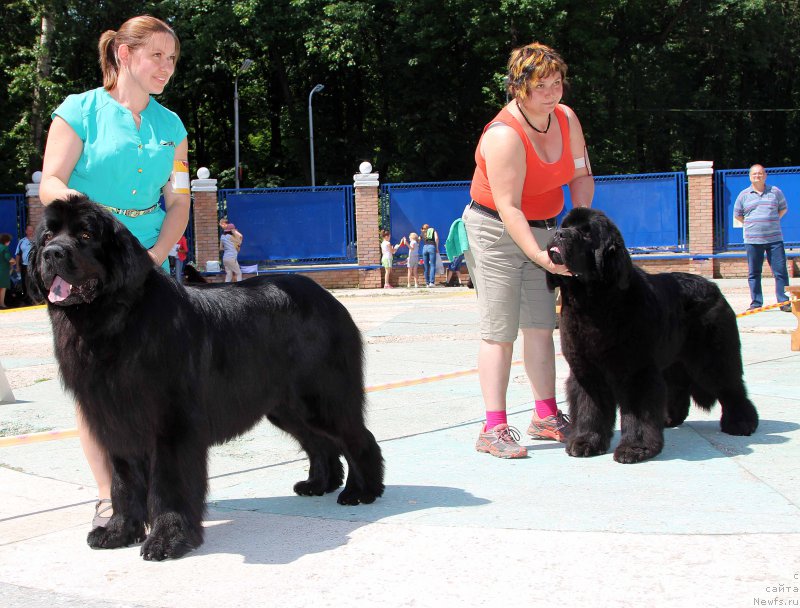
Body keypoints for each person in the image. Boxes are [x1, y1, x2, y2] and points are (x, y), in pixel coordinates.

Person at [38, 15, 190, 528]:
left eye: (172, 59)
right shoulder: (78, 111)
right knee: (94, 382)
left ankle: (155, 489)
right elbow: (51, 183)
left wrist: (151, 259)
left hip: (148, 270)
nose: (166, 67)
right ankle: (111, 496)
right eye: (156, 56)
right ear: (124, 55)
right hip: (87, 268)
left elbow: (179, 202)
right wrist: (93, 220)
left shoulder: (172, 127)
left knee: (155, 381)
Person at [464, 41, 594, 458]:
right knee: (499, 330)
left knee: (541, 326)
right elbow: (509, 208)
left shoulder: (567, 118)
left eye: (557, 83)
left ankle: (545, 416)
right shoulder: (503, 135)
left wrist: (581, 223)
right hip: (495, 231)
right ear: (519, 87)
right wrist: (541, 259)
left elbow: (580, 175)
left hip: (546, 229)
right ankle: (493, 428)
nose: (553, 93)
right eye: (542, 86)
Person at [733, 164, 791, 313]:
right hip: (752, 240)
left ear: (765, 175)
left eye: (760, 174)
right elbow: (738, 214)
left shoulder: (775, 192)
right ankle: (756, 303)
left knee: (780, 271)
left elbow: (783, 208)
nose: (757, 176)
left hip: (775, 239)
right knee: (754, 273)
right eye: (754, 174)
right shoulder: (743, 195)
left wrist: (772, 221)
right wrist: (751, 225)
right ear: (750, 176)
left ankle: (783, 302)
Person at [14, 225, 34, 304]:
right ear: (26, 231)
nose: (30, 232)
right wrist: (18, 266)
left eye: (32, 230)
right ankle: (26, 297)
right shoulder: (21, 241)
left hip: (34, 266)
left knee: (33, 281)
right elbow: (17, 254)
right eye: (29, 230)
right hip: (24, 266)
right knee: (25, 281)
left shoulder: (36, 241)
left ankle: (34, 297)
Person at [0, 233, 16, 308]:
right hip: (2, 271)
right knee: (2, 288)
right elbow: (10, 259)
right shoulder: (4, 248)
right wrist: (14, 261)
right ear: (6, 241)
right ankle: (2, 304)